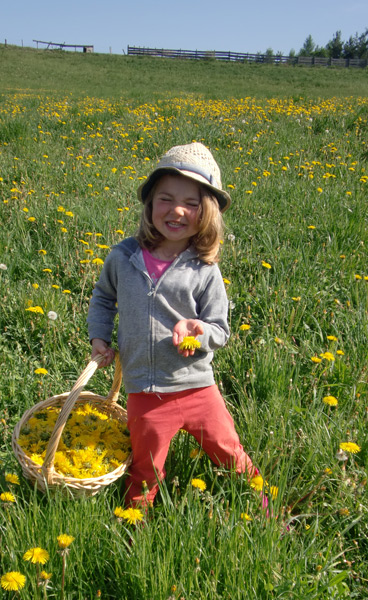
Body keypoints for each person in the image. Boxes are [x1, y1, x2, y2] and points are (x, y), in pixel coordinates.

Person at [87, 142, 257, 507]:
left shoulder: (204, 269)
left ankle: (262, 507)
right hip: (145, 393)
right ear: (149, 205)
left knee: (230, 453)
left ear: (206, 212)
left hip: (197, 389)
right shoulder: (123, 257)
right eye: (165, 198)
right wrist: (99, 337)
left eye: (191, 203)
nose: (177, 210)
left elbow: (220, 329)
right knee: (144, 471)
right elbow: (103, 298)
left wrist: (199, 330)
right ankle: (134, 532)